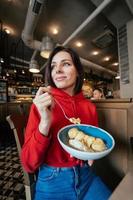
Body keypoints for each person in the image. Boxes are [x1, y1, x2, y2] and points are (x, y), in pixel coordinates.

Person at [21, 46, 111, 200]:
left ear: (78, 71)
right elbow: (28, 164)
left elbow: (92, 146)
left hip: (86, 177)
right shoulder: (42, 104)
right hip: (52, 180)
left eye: (66, 64)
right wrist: (45, 122)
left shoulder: (89, 107)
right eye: (53, 66)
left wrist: (92, 154)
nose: (58, 70)